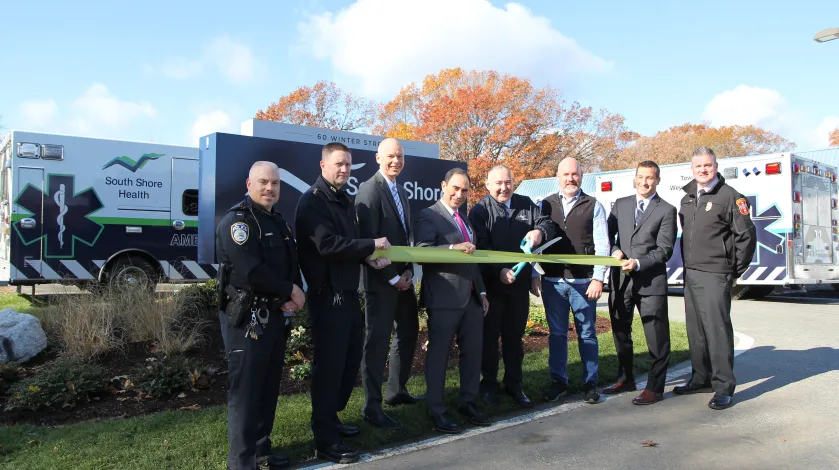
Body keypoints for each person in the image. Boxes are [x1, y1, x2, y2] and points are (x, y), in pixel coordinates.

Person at [294, 143, 392, 464]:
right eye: (338, 164)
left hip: (348, 294)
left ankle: (331, 418)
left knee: (349, 360)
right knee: (330, 366)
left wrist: (368, 259)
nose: (345, 169)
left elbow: (349, 247)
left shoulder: (343, 200)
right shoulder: (312, 202)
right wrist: (371, 245)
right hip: (328, 297)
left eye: (348, 164)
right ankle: (324, 438)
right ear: (323, 165)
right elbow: (328, 245)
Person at [215, 161, 306, 470]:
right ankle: (241, 463)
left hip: (274, 315)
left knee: (267, 388)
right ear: (249, 184)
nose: (270, 188)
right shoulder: (237, 223)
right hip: (246, 319)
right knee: (246, 392)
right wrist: (290, 291)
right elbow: (250, 271)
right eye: (263, 182)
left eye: (275, 183)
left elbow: (291, 264)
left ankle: (261, 452)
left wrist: (290, 294)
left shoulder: (278, 221)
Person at [673, 146, 756, 410]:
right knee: (696, 330)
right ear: (692, 168)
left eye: (708, 165)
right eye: (698, 166)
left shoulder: (731, 197)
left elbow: (746, 236)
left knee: (717, 331)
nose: (703, 170)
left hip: (716, 273)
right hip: (691, 273)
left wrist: (733, 270)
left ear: (716, 166)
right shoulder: (687, 198)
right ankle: (701, 378)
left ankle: (723, 387)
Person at [468, 164, 555, 408]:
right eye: (498, 183)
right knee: (489, 338)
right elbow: (480, 249)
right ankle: (489, 385)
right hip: (492, 288)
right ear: (488, 184)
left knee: (514, 338)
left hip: (518, 288)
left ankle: (514, 384)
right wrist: (499, 271)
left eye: (508, 182)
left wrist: (539, 232)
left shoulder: (525, 203)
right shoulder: (479, 211)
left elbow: (547, 224)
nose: (503, 188)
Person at [416, 167, 491, 434]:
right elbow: (421, 252)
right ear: (443, 186)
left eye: (465, 190)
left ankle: (468, 403)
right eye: (455, 188)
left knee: (473, 353)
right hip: (444, 298)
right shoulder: (428, 215)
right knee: (439, 356)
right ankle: (436, 410)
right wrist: (451, 248)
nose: (459, 194)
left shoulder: (466, 220)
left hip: (471, 299)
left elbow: (473, 260)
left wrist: (482, 292)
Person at [354, 138, 422, 430]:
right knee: (376, 344)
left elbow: (404, 238)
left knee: (409, 331)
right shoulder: (369, 190)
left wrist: (407, 272)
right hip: (380, 282)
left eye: (400, 156)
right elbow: (367, 240)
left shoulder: (400, 191)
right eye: (391, 156)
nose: (396, 161)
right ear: (377, 158)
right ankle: (372, 407)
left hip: (402, 278)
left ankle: (396, 390)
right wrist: (393, 278)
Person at [531, 157, 609, 405]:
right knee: (557, 335)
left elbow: (602, 245)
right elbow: (535, 243)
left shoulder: (594, 205)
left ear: (581, 176)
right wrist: (535, 273)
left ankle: (590, 383)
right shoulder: (544, 205)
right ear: (558, 177)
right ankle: (559, 382)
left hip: (583, 283)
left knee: (587, 334)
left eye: (574, 174)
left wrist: (598, 278)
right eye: (565, 174)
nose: (570, 179)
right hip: (553, 282)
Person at [603, 160, 677, 405]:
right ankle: (625, 378)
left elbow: (665, 249)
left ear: (658, 180)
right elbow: (607, 236)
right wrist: (614, 250)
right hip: (621, 282)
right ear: (635, 178)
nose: (645, 182)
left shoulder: (666, 210)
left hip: (650, 282)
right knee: (621, 333)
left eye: (650, 178)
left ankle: (655, 388)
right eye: (641, 177)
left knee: (656, 337)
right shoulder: (620, 205)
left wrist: (638, 263)